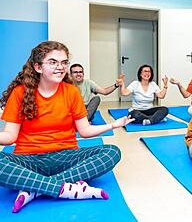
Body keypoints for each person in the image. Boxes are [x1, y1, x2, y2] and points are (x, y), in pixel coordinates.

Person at [0, 41, 134, 213]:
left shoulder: (71, 92)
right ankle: (64, 187)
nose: (60, 67)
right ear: (38, 67)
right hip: (29, 159)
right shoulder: (20, 92)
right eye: (53, 62)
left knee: (112, 152)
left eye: (64, 62)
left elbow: (84, 131)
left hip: (66, 156)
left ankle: (33, 189)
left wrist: (114, 125)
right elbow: (10, 136)